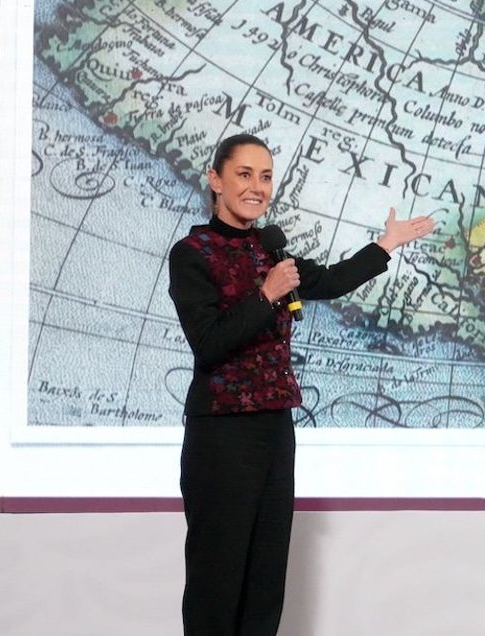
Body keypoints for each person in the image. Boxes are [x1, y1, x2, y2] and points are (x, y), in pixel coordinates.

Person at [167, 133, 434, 635]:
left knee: (265, 581)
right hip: (221, 433)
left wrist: (385, 245)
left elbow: (330, 282)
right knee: (217, 581)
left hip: (274, 429)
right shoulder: (192, 253)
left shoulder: (271, 252)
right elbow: (208, 343)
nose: (256, 187)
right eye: (244, 174)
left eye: (265, 176)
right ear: (216, 180)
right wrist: (266, 295)